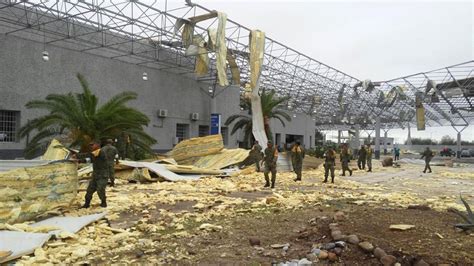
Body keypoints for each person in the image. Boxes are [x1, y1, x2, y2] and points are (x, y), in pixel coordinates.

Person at [74, 141, 110, 208]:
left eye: (92, 145)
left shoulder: (100, 151)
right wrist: (79, 161)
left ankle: (103, 202)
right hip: (95, 175)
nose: (91, 146)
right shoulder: (96, 154)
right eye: (90, 145)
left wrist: (77, 155)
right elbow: (90, 160)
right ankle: (86, 204)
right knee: (89, 191)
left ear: (98, 145)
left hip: (102, 176)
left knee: (100, 189)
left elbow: (90, 155)